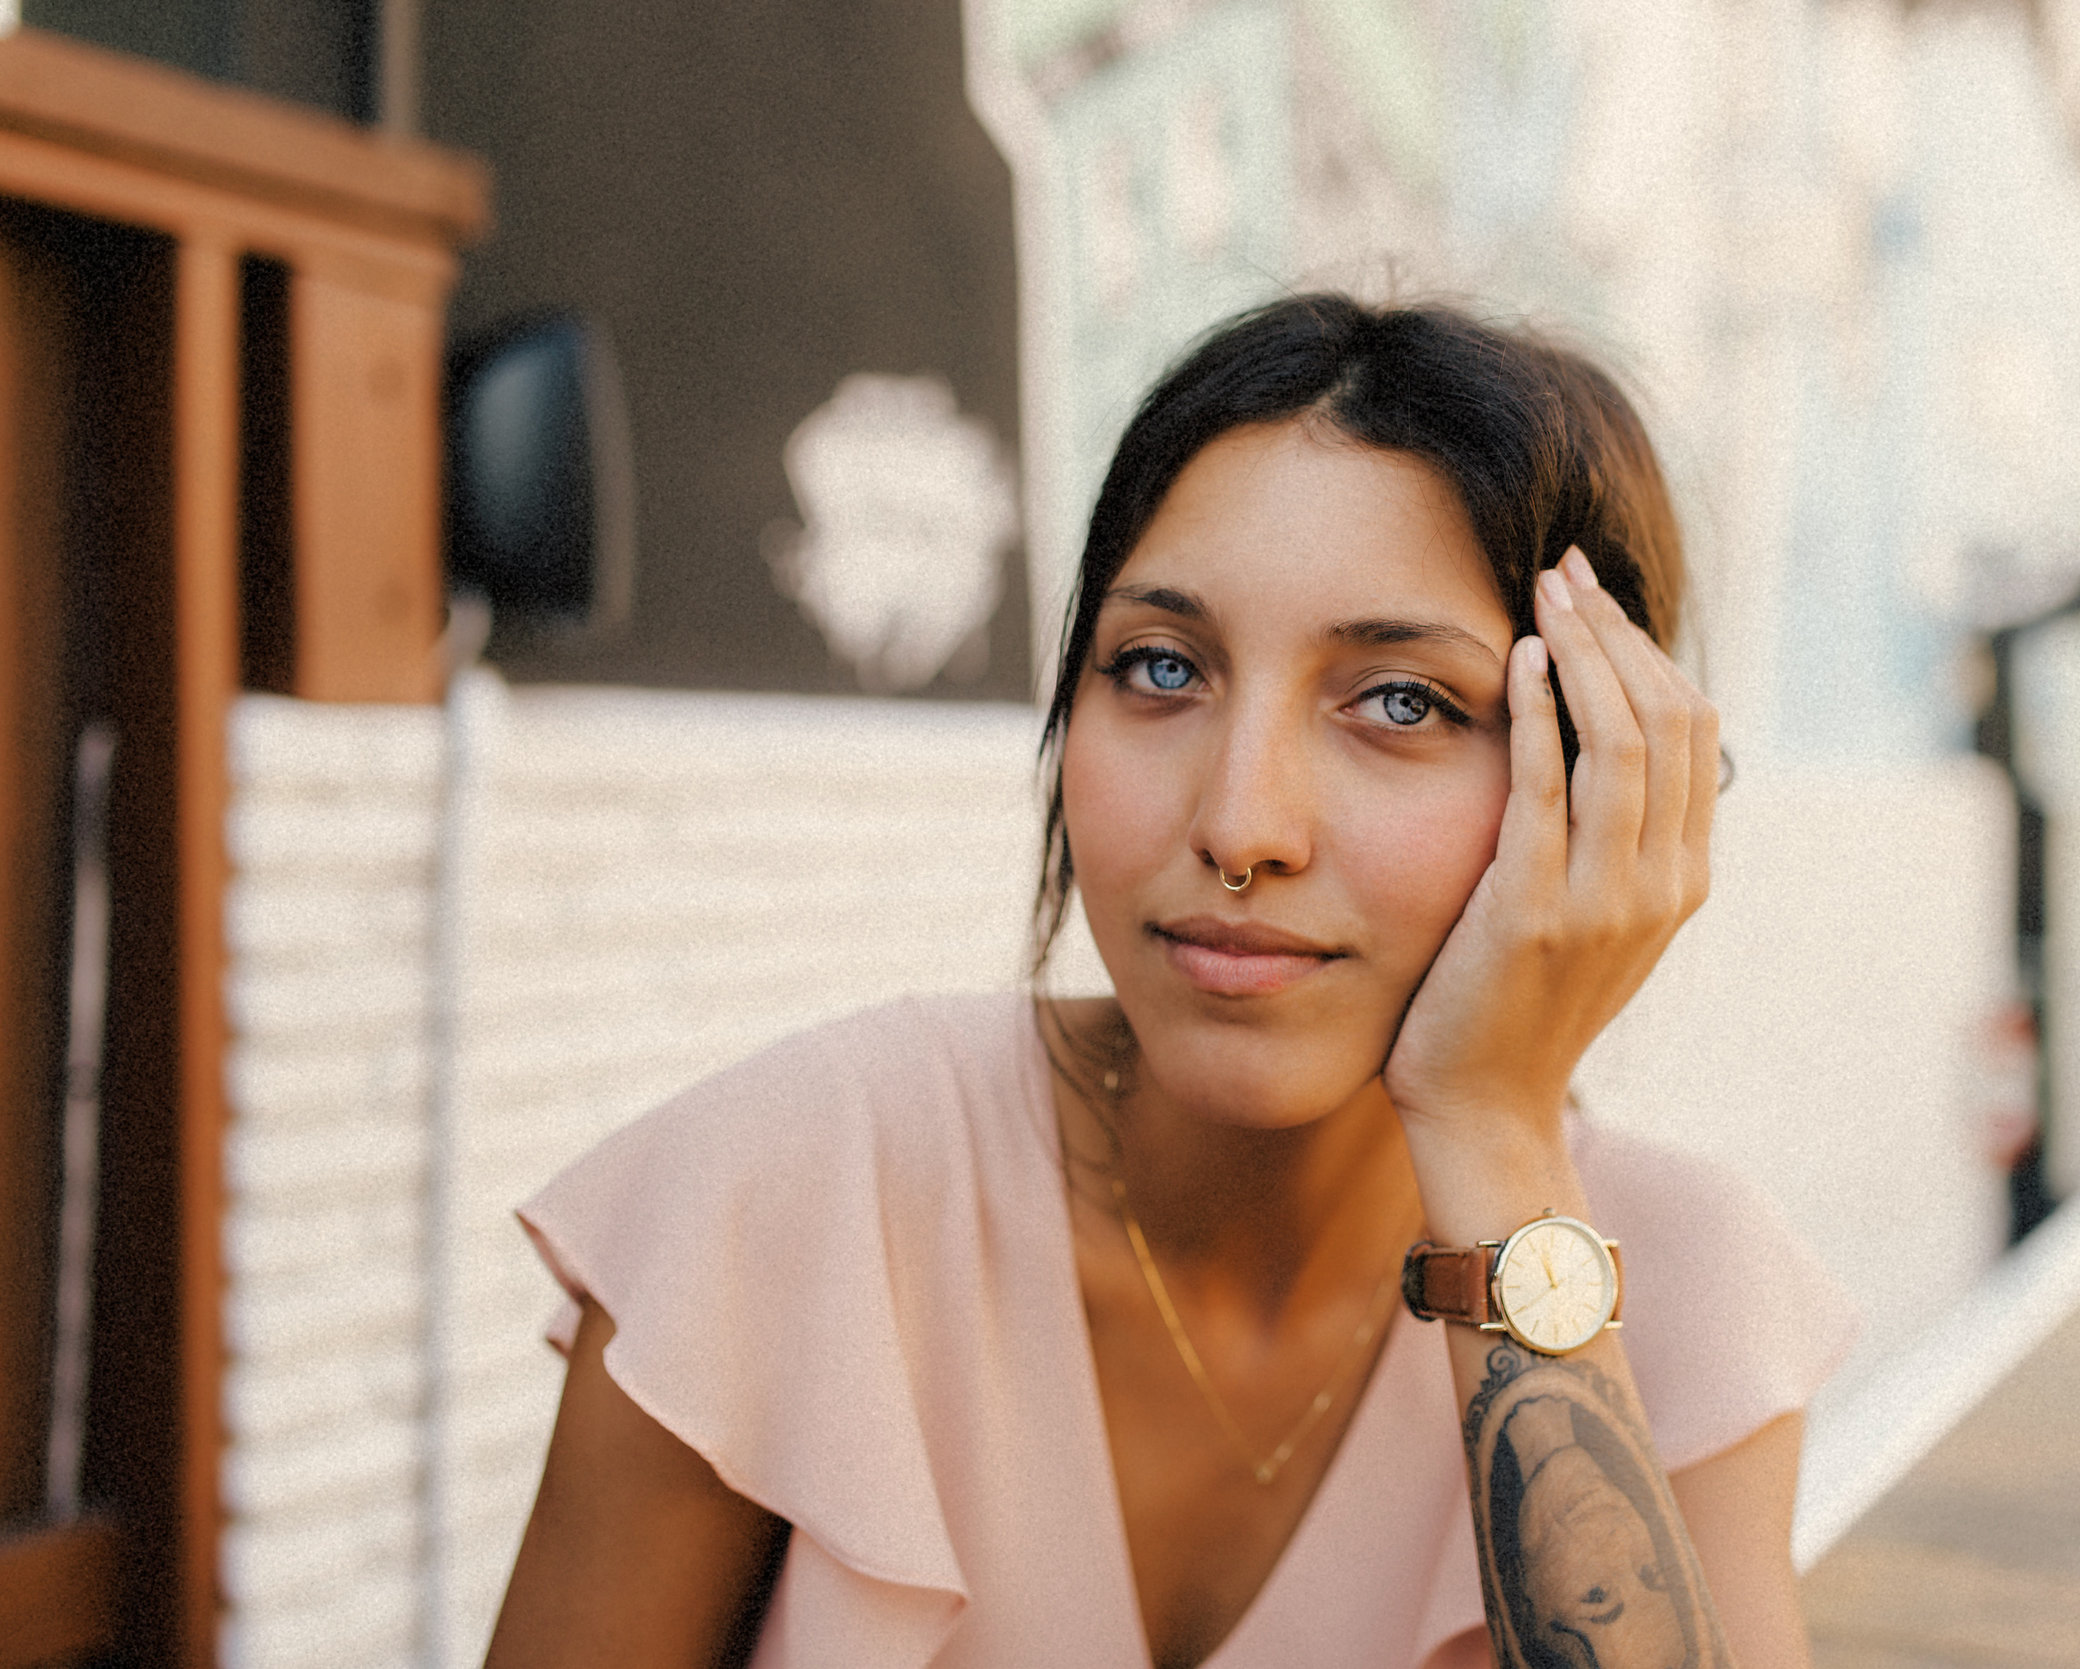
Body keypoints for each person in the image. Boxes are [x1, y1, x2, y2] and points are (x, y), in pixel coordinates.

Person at [485, 294, 1855, 1669]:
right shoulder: (797, 1191)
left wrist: (1496, 1136)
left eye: (1400, 700)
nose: (1241, 822)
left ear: (1602, 777)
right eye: (1159, 666)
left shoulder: (1680, 1297)